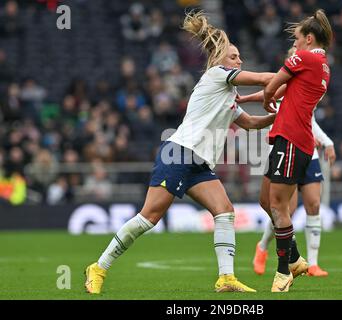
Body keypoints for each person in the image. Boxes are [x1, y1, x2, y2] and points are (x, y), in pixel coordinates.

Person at [84, 10, 277, 294]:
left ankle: (226, 278)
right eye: (234, 56)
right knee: (149, 217)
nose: (239, 60)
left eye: (239, 57)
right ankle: (98, 267)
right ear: (221, 60)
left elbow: (250, 124)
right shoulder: (217, 75)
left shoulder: (226, 98)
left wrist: (277, 115)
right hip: (179, 153)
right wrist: (294, 76)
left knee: (224, 211)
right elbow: (262, 78)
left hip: (198, 163)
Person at [252, 9, 333, 292]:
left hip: (293, 140)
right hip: (287, 139)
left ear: (309, 38)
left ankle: (284, 272)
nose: (295, 44)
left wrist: (266, 100)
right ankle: (297, 258)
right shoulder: (321, 66)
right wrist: (260, 94)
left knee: (278, 206)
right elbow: (279, 84)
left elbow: (273, 84)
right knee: (267, 201)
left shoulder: (306, 57)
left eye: (298, 39)